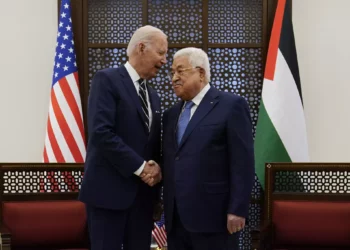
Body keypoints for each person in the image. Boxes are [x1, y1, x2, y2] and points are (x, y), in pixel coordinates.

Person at [78, 25, 168, 250]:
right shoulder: (107, 80)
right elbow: (101, 133)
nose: (165, 60)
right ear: (141, 47)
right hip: (108, 195)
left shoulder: (153, 95)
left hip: (143, 199)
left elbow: (152, 143)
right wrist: (141, 168)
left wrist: (156, 168)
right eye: (161, 53)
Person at [161, 47, 255, 250]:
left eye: (180, 71)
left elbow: (243, 162)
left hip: (215, 218)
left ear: (201, 73)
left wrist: (237, 209)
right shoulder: (170, 115)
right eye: (172, 73)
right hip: (176, 219)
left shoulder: (231, 106)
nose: (174, 78)